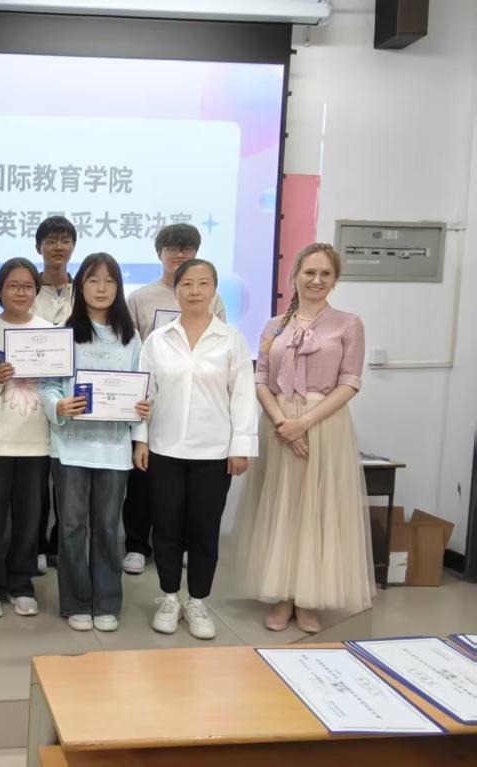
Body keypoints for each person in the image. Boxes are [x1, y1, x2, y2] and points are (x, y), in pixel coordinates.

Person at [235, 243, 373, 634]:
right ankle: (282, 595)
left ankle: (310, 598)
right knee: (283, 508)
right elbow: (261, 379)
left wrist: (305, 422)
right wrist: (283, 422)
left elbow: (350, 382)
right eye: (309, 272)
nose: (316, 280)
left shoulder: (349, 324)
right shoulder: (274, 326)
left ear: (335, 279)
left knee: (319, 511)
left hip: (324, 426)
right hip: (279, 424)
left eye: (325, 274)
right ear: (295, 275)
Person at [134, 258, 256, 641]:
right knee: (166, 528)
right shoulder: (158, 340)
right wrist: (141, 439)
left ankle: (198, 600)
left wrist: (241, 447)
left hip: (214, 452)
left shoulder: (231, 339)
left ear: (214, 290)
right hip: (165, 448)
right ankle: (170, 597)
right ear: (176, 290)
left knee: (204, 530)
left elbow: (243, 397)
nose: (195, 291)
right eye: (187, 283)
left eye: (203, 283)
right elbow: (144, 394)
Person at [40, 253, 148, 633]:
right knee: (71, 527)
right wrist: (59, 405)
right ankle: (75, 602)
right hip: (70, 445)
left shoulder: (130, 337)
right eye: (92, 280)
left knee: (106, 528)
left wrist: (140, 420)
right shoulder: (63, 333)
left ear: (119, 287)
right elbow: (48, 386)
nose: (101, 288)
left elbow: (142, 390)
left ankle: (106, 602)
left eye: (109, 281)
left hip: (114, 448)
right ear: (79, 286)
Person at [121, 224, 227, 576]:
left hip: (195, 404)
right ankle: (137, 545)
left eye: (187, 248)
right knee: (142, 481)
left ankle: (182, 545)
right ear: (159, 254)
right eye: (172, 249)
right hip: (151, 400)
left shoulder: (214, 300)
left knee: (186, 491)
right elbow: (130, 347)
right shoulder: (140, 297)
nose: (180, 255)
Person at [0, 258, 51, 619]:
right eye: (13, 285)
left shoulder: (50, 332)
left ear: (36, 291)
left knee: (29, 519)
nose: (21, 292)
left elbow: (58, 385)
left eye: (28, 286)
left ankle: (21, 584)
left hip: (37, 439)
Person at [31, 215, 78, 573]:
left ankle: (62, 541)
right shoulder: (26, 289)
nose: (58, 247)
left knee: (68, 476)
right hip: (31, 396)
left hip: (70, 397)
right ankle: (35, 544)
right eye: (50, 241)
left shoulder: (85, 290)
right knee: (35, 479)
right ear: (39, 247)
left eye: (65, 240)